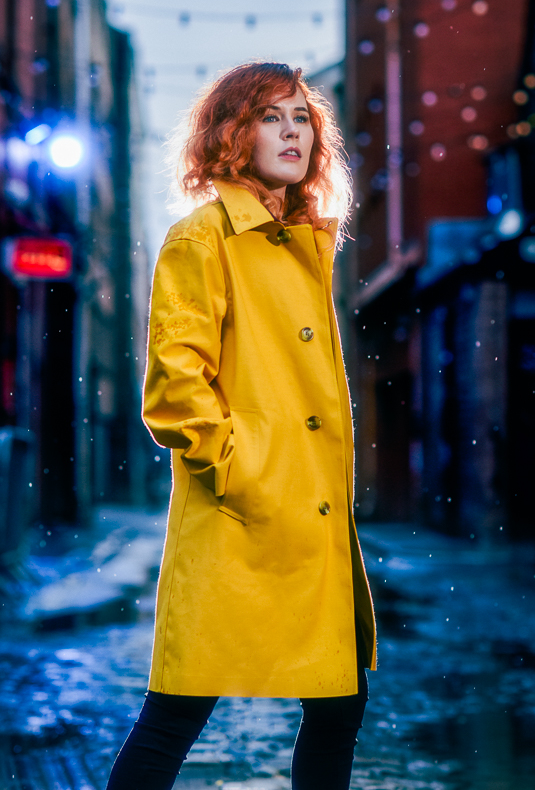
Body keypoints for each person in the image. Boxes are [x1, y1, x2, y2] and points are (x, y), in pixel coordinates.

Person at [106, 62, 376, 790]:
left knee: (338, 705)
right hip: (243, 517)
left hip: (309, 524)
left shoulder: (302, 240)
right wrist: (245, 471)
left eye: (301, 118)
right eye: (269, 116)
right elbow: (174, 389)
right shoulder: (204, 238)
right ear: (232, 132)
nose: (291, 131)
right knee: (175, 715)